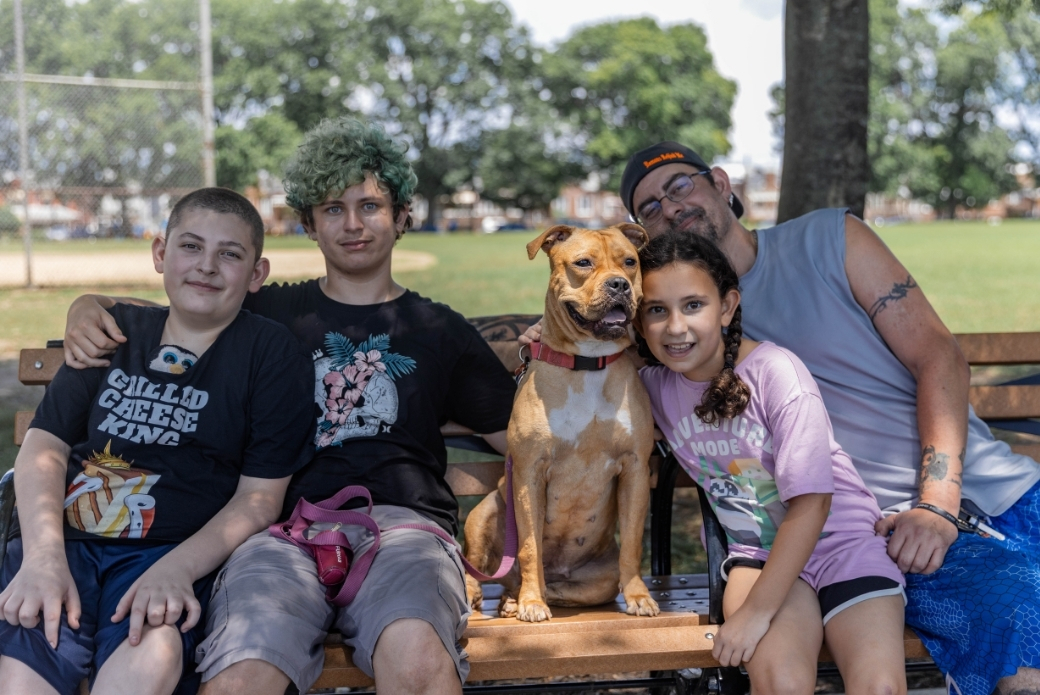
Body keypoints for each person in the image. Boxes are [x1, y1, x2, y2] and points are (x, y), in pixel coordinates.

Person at [62, 117, 516, 695]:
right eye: (331, 209)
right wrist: (87, 304)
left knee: (418, 657)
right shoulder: (267, 314)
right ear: (307, 223)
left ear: (402, 216)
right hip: (279, 534)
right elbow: (155, 317)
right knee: (242, 673)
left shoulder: (439, 330)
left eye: (370, 205)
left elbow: (525, 444)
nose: (352, 224)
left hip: (404, 532)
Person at [615, 141, 1040, 695]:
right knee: (1022, 641)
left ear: (720, 183)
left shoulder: (830, 238)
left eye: (680, 186)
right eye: (648, 207)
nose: (669, 207)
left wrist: (938, 501)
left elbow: (937, 353)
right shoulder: (680, 330)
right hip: (884, 527)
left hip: (986, 490)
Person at [0, 188, 314, 695]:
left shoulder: (268, 353)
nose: (207, 266)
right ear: (160, 254)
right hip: (63, 547)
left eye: (229, 254)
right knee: (20, 680)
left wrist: (177, 570)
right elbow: (45, 448)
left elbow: (259, 498)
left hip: (166, 556)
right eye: (190, 247)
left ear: (257, 274)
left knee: (152, 661)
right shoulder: (113, 332)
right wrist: (42, 558)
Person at [636, 231, 906, 693]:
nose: (675, 327)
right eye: (657, 310)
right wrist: (541, 340)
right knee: (780, 682)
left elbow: (814, 504)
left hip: (843, 546)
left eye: (694, 305)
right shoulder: (651, 386)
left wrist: (754, 616)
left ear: (727, 306)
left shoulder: (777, 372)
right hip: (757, 557)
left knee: (879, 686)